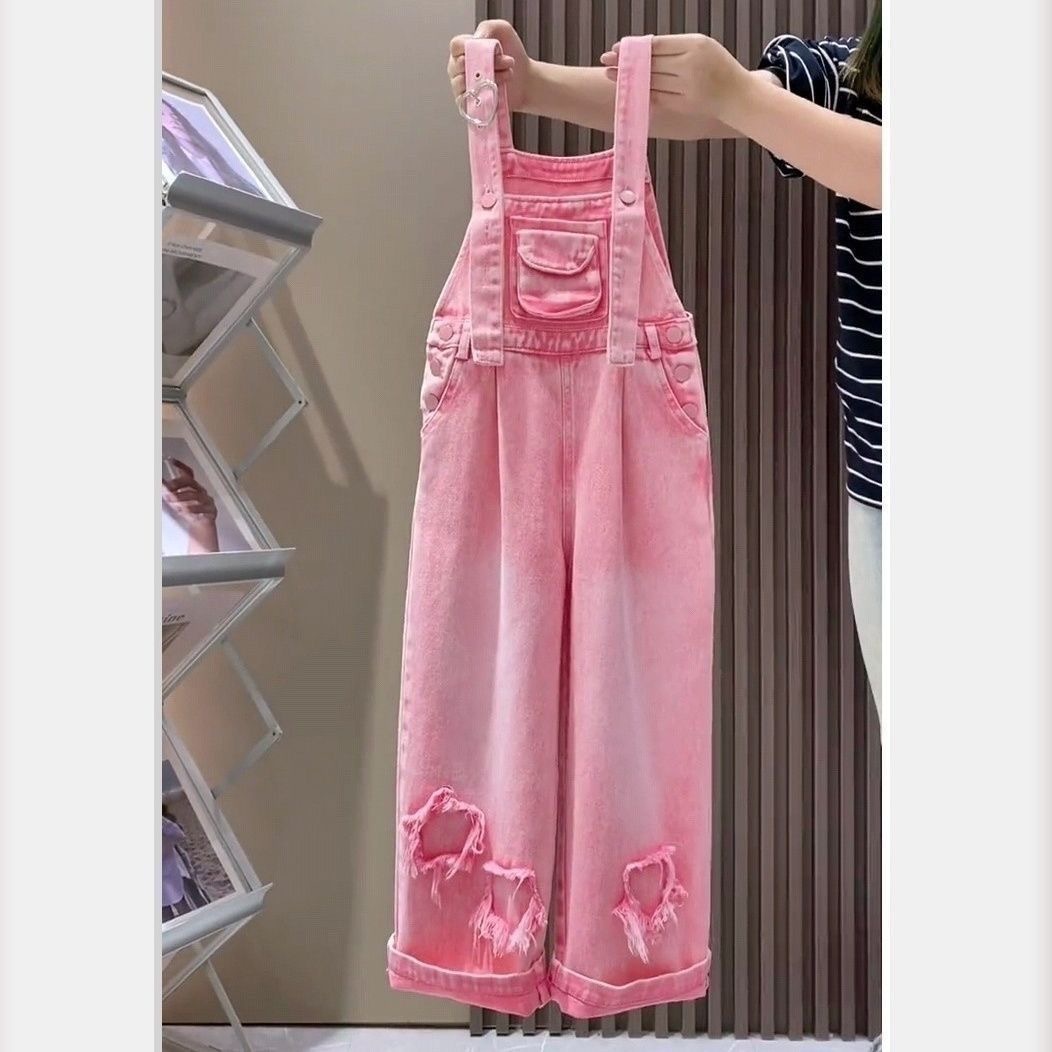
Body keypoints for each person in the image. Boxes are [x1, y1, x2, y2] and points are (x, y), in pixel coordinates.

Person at [449, 12, 882, 1049]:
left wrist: (739, 95)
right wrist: (529, 86)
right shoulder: (867, 67)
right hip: (880, 475)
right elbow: (715, 106)